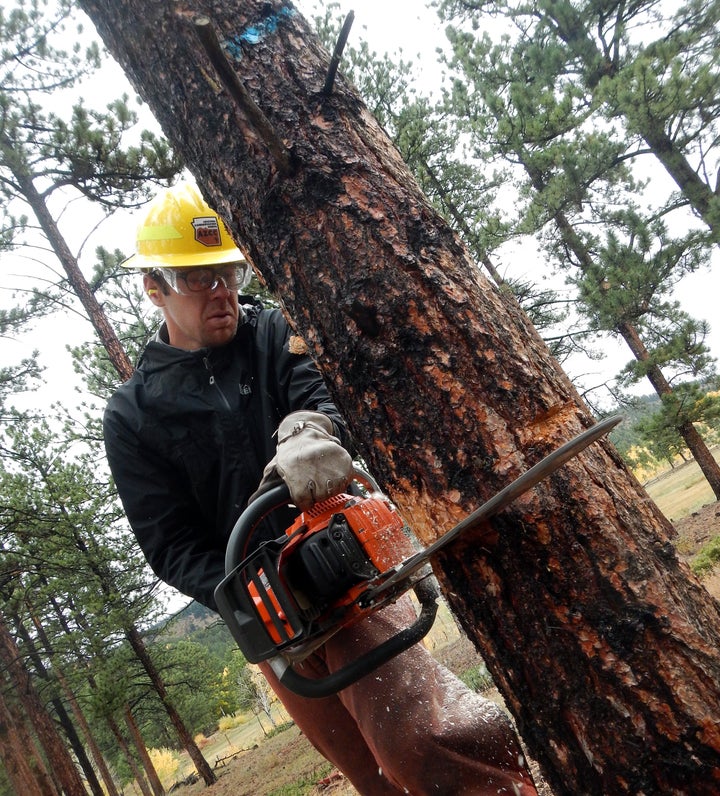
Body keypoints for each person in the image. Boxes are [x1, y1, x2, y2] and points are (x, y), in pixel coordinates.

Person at [103, 182, 538, 795]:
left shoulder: (273, 333)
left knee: (424, 741)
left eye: (226, 271)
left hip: (345, 570)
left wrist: (308, 431)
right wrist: (254, 592)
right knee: (372, 778)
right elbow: (168, 542)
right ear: (155, 287)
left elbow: (317, 396)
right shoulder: (133, 415)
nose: (221, 290)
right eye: (198, 279)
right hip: (267, 616)